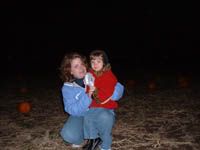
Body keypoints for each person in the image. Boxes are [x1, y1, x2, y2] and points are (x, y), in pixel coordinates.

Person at [59, 51, 124, 149]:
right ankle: (87, 139)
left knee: (105, 116)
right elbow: (71, 109)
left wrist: (112, 94)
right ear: (70, 71)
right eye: (76, 66)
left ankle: (101, 136)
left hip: (100, 110)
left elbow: (116, 85)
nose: (81, 68)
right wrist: (88, 96)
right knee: (69, 134)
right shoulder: (67, 88)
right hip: (81, 115)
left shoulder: (94, 74)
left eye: (82, 64)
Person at [83, 50, 119, 149]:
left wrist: (96, 91)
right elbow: (87, 88)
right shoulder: (90, 74)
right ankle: (93, 139)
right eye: (93, 62)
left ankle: (106, 145)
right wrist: (88, 93)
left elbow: (107, 94)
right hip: (93, 106)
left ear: (104, 63)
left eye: (98, 61)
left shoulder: (109, 76)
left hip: (106, 107)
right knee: (88, 118)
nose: (95, 64)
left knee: (105, 120)